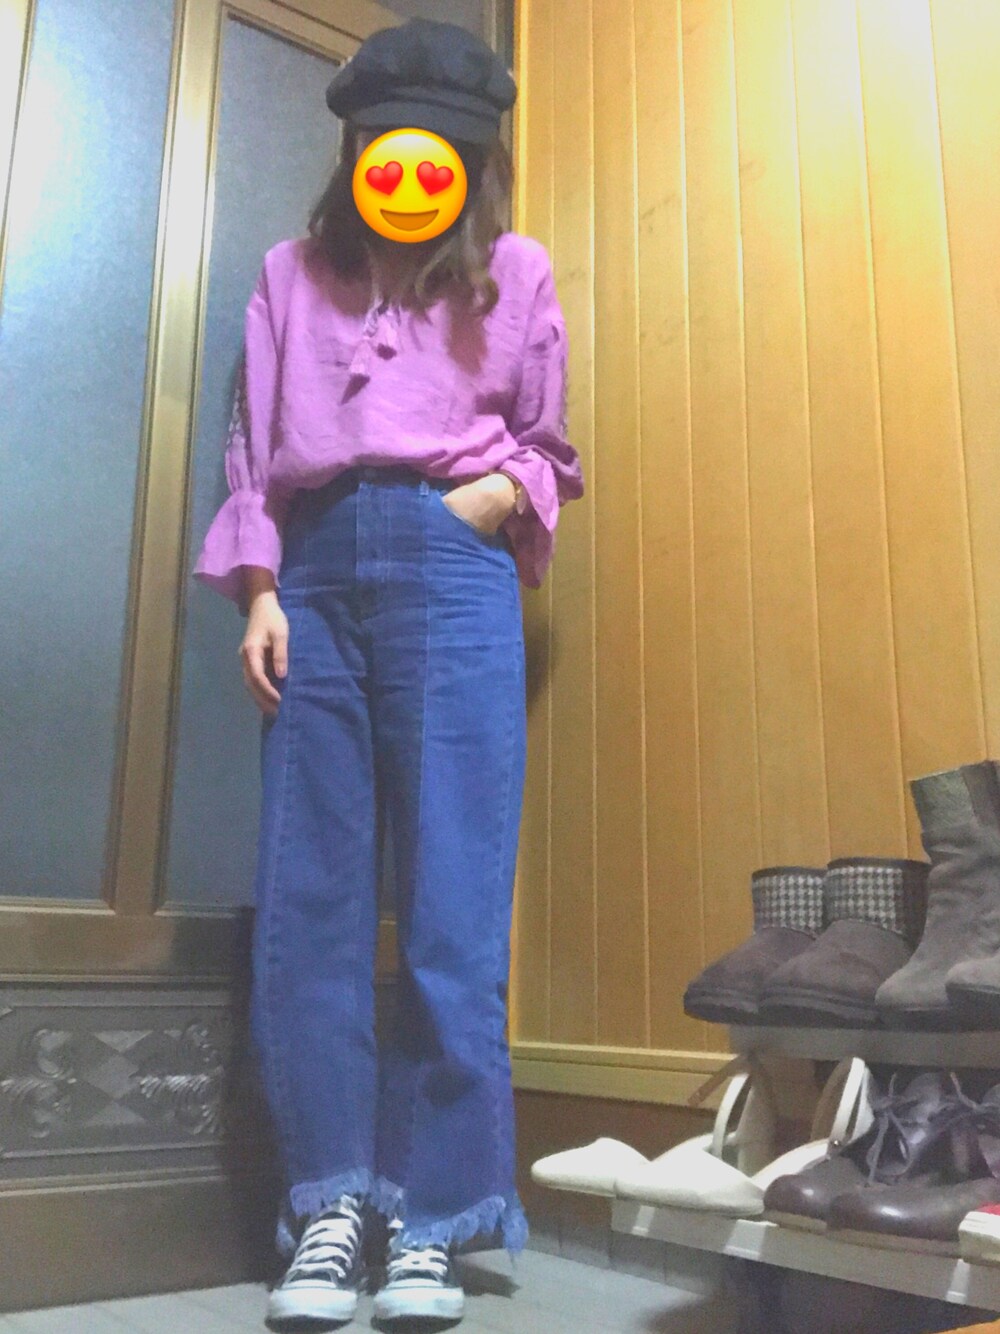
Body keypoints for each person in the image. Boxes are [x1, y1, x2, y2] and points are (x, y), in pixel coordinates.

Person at [192, 16, 584, 1328]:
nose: (410, 173)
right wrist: (258, 587)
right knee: (311, 899)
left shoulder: (514, 272)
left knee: (452, 904)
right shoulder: (290, 273)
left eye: (439, 153)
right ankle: (331, 1203)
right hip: (310, 569)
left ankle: (433, 1210)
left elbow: (548, 445)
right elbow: (253, 444)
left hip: (451, 569)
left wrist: (489, 501)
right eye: (387, 148)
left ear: (471, 161)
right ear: (358, 150)